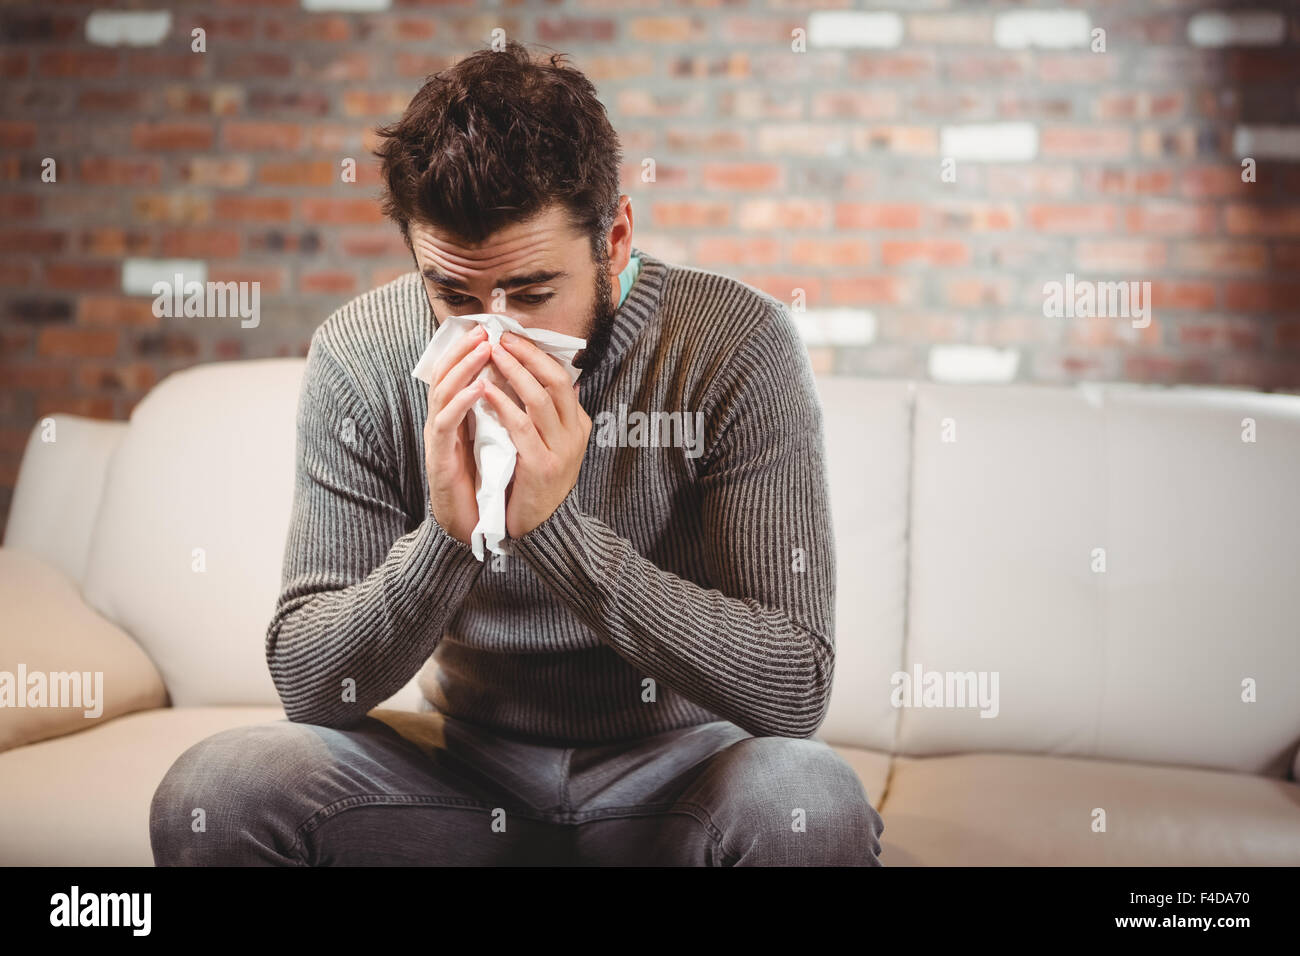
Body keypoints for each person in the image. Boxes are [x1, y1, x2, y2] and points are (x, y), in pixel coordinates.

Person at [149, 40, 884, 867]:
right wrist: (447, 540)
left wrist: (556, 531)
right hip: (461, 771)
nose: (495, 335)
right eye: (454, 295)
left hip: (682, 780)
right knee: (219, 790)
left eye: (534, 294)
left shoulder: (735, 347)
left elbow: (793, 687)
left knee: (807, 799)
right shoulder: (361, 354)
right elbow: (313, 686)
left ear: (614, 240)